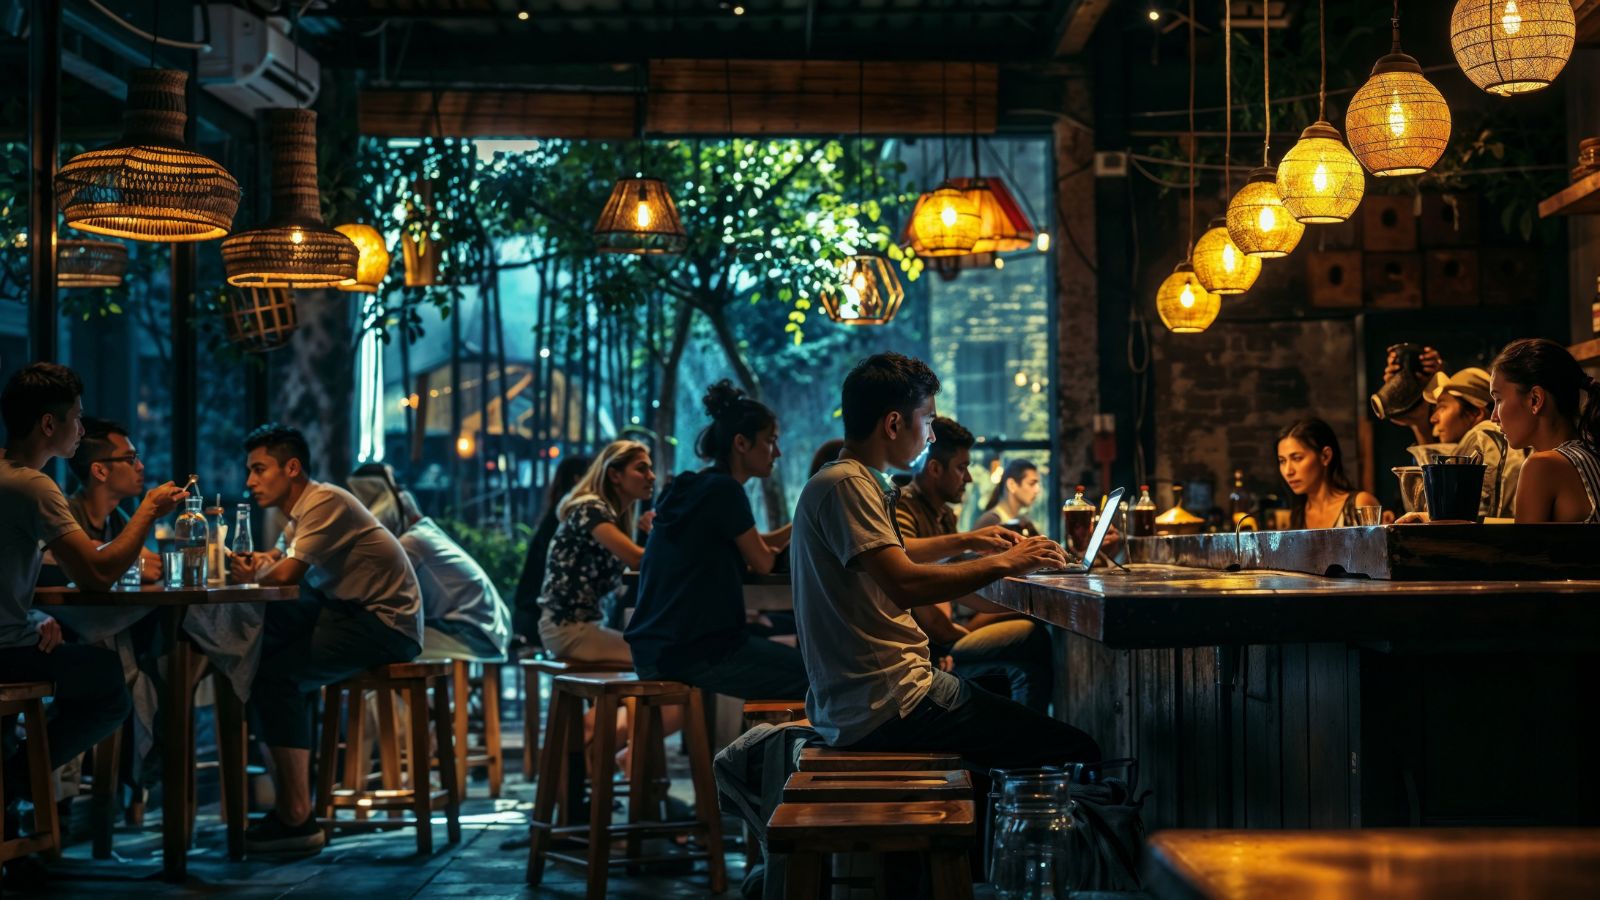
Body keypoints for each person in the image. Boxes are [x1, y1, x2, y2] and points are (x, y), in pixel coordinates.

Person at [791, 352, 1100, 769]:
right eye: (928, 421)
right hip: (888, 704)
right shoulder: (848, 484)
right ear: (894, 424)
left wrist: (974, 541)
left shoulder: (850, 481)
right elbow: (906, 583)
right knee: (1078, 751)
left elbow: (896, 555)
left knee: (1013, 724)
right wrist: (1009, 562)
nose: (931, 435)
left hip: (872, 701)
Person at [228, 424, 423, 853]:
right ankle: (292, 806)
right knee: (262, 652)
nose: (250, 481)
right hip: (351, 615)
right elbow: (275, 559)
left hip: (386, 624)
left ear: (291, 468)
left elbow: (285, 574)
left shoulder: (324, 501)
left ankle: (297, 815)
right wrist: (257, 564)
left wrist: (252, 572)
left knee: (272, 673)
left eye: (259, 469)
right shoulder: (300, 514)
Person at [0, 365, 178, 810]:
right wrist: (148, 512)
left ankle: (14, 805)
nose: (81, 428)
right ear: (48, 424)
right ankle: (16, 781)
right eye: (76, 417)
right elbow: (95, 575)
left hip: (13, 638)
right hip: (4, 652)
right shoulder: (34, 486)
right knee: (108, 681)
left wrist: (34, 615)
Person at [625, 381, 808, 700]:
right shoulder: (725, 491)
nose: (777, 452)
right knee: (820, 679)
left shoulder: (692, 486)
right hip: (693, 651)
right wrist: (810, 524)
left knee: (807, 672)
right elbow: (763, 561)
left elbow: (752, 542)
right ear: (741, 443)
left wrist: (803, 520)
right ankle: (780, 735)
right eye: (770, 441)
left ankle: (770, 732)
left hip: (656, 648)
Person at [896, 416, 1054, 713]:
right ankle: (1030, 733)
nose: (968, 478)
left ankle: (1027, 730)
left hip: (948, 632)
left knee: (1030, 653)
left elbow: (960, 585)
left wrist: (1029, 593)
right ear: (934, 469)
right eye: (961, 468)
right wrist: (977, 547)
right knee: (1032, 635)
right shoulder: (904, 506)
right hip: (932, 646)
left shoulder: (943, 514)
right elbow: (905, 559)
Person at [348, 463, 511, 660]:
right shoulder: (424, 535)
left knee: (384, 642)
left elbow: (373, 592)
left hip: (471, 634)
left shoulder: (411, 544)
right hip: (487, 632)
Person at [535, 440, 654, 664]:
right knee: (656, 658)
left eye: (650, 468)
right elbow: (637, 559)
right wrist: (658, 533)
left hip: (581, 627)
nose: (652, 476)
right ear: (615, 475)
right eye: (641, 469)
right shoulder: (590, 509)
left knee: (655, 652)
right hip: (568, 629)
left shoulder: (609, 516)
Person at [1490, 338, 1600, 524]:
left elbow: (1523, 544)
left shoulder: (1541, 466)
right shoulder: (1592, 452)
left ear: (1535, 399)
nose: (1493, 416)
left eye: (1498, 399)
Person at [511, 454, 592, 644]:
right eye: (592, 474)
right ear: (577, 479)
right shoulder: (571, 516)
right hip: (539, 615)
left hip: (531, 612)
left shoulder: (558, 514)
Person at [1423, 368, 1524, 519]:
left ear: (1475, 413)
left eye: (1442, 407)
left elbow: (1478, 516)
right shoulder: (1496, 436)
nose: (1433, 418)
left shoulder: (1481, 436)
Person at [1277, 418, 1380, 529]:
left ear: (1325, 456)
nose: (1288, 471)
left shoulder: (1359, 504)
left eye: (1297, 458)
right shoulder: (1298, 514)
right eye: (1282, 461)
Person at [975, 459, 1042, 535]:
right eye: (1031, 484)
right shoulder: (990, 521)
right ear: (1011, 484)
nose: (1037, 490)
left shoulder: (1022, 522)